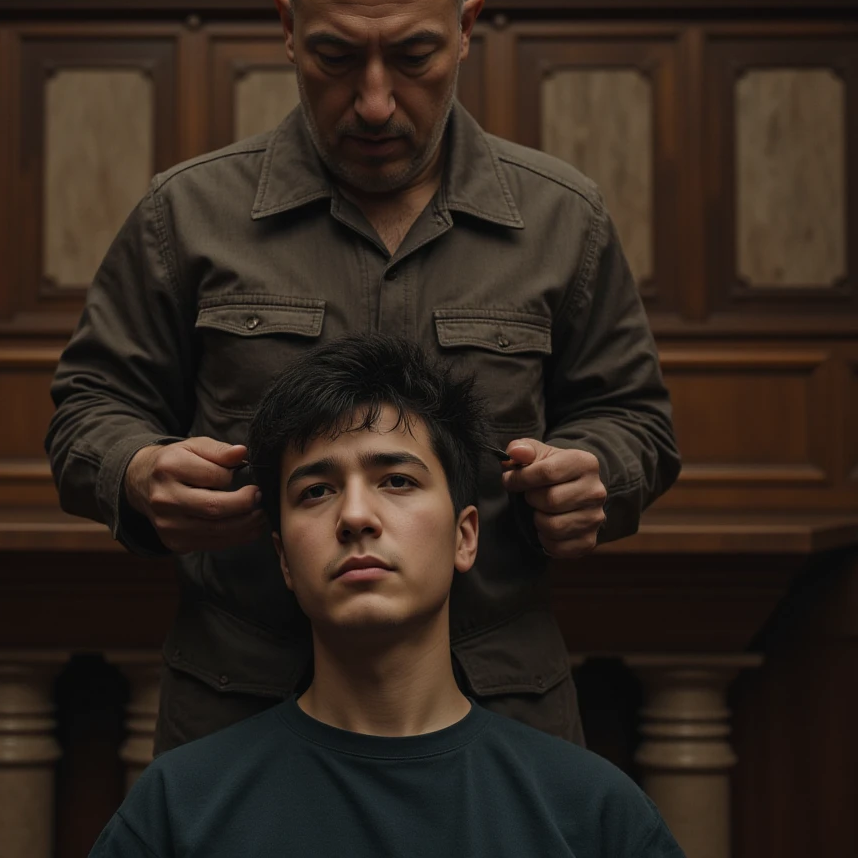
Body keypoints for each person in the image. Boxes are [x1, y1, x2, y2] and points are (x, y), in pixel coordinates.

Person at [46, 0, 680, 752]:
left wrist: (598, 473)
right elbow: (88, 410)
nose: (375, 102)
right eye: (336, 57)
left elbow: (637, 421)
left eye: (414, 57)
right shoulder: (184, 216)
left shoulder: (562, 219)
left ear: (467, 28)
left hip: (497, 710)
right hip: (243, 709)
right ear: (286, 26)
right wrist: (135, 472)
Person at [87, 334, 685, 858]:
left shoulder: (591, 812)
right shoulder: (178, 808)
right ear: (284, 559)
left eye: (397, 481)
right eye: (317, 491)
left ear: (464, 536)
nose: (355, 515)